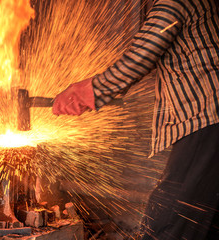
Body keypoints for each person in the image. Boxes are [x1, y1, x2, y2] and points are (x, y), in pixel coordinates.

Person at [52, 0, 219, 239]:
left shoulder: (172, 3)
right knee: (202, 222)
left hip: (206, 120)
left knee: (168, 224)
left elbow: (140, 55)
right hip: (209, 121)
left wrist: (89, 91)